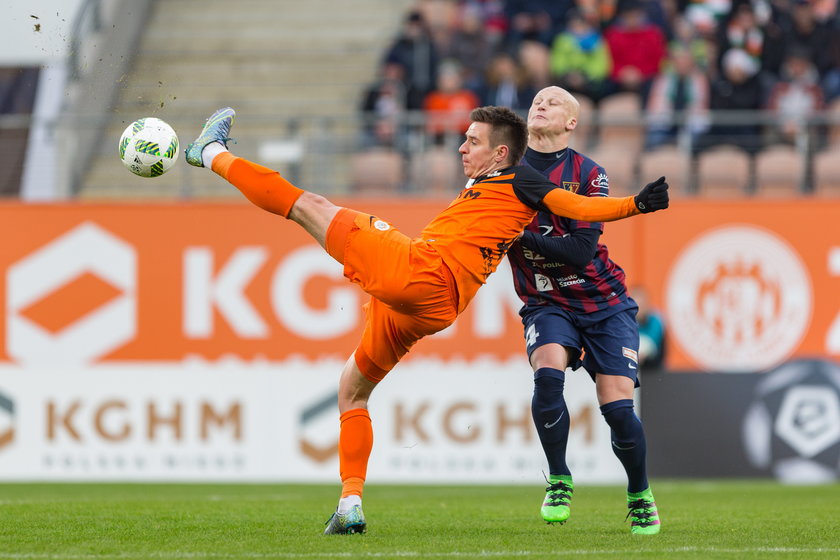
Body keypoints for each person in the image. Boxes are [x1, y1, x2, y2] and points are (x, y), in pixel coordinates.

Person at [183, 105, 669, 535]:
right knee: (352, 388)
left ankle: (209, 153)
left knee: (310, 205)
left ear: (501, 153)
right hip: (429, 307)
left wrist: (635, 205)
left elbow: (577, 206)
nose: (461, 147)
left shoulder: (520, 181)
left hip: (422, 274)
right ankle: (349, 503)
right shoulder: (485, 186)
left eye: (472, 141)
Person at [506, 86, 661, 535]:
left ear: (571, 122)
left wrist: (518, 239)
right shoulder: (504, 170)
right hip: (546, 301)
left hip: (603, 302)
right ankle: (558, 478)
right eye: (537, 99)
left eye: (553, 102)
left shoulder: (589, 174)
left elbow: (578, 251)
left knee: (616, 409)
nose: (541, 104)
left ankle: (639, 493)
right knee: (548, 371)